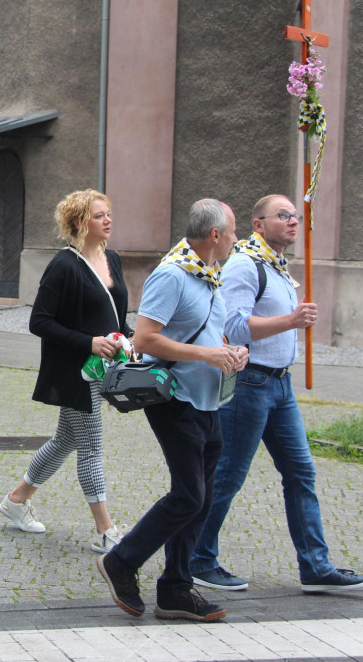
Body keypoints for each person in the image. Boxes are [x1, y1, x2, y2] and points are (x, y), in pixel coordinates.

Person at [189, 195, 363, 594]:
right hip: (250, 384)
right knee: (227, 476)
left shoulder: (277, 266)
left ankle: (315, 566)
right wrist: (290, 319)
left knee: (301, 471)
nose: (293, 222)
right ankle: (198, 559)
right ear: (258, 224)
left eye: (296, 216)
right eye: (283, 216)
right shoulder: (244, 264)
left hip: (281, 386)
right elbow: (235, 328)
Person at [95, 198, 248, 623]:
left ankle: (176, 589)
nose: (237, 239)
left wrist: (231, 352)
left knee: (202, 497)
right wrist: (204, 355)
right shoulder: (172, 274)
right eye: (234, 231)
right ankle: (121, 562)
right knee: (188, 495)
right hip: (175, 397)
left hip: (208, 398)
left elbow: (208, 334)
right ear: (215, 235)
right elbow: (144, 340)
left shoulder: (209, 275)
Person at [0, 190, 132, 552]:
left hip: (104, 367)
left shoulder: (112, 259)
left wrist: (127, 341)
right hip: (76, 371)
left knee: (66, 440)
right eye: (100, 215)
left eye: (109, 214)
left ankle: (16, 498)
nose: (108, 220)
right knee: (90, 446)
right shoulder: (63, 265)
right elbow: (39, 322)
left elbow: (116, 315)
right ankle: (105, 531)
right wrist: (88, 342)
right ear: (78, 223)